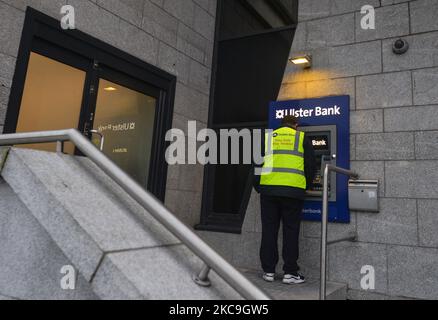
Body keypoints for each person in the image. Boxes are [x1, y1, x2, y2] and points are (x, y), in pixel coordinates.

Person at [254, 115, 316, 284]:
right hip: (292, 191)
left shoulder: (269, 138)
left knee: (269, 230)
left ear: (281, 125)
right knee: (291, 231)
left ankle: (268, 271)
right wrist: (306, 184)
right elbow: (311, 165)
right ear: (296, 125)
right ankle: (290, 272)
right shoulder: (302, 137)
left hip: (269, 191)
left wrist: (258, 186)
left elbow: (257, 165)